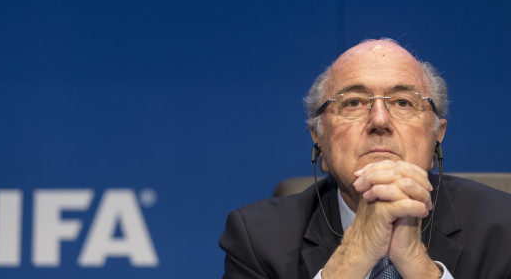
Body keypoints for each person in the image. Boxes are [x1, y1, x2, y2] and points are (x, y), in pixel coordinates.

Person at [219, 39, 511, 279]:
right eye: (354, 103)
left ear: (437, 133)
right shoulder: (256, 239)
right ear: (318, 137)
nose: (380, 120)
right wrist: (354, 253)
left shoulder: (503, 230)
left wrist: (417, 266)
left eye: (402, 102)